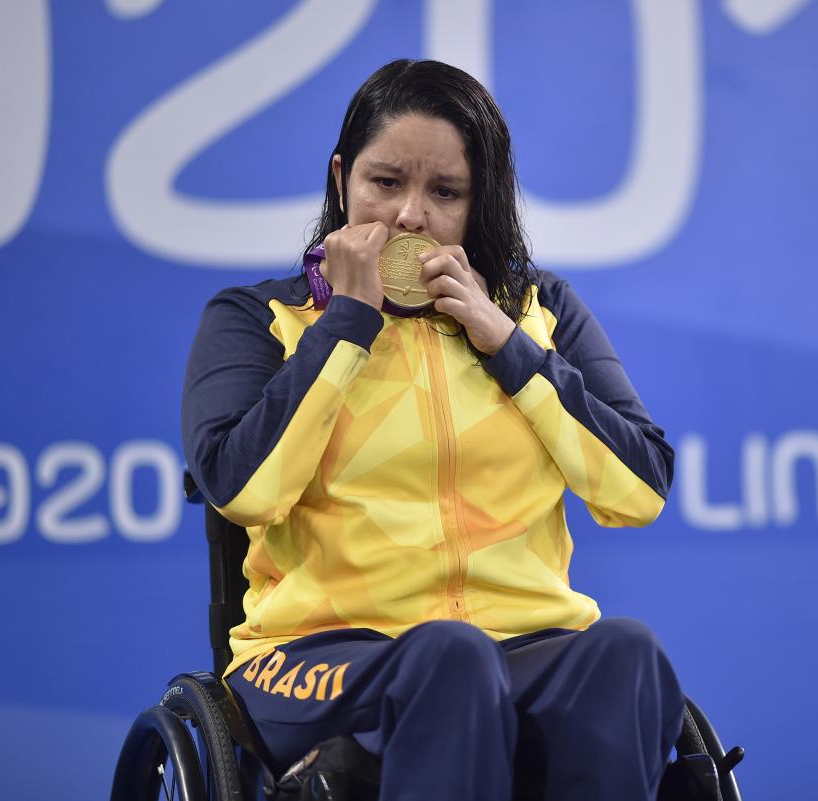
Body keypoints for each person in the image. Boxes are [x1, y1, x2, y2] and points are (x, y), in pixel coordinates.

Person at [181, 58, 683, 801]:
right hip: (315, 657)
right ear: (341, 178)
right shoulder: (261, 319)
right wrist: (347, 322)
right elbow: (243, 489)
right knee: (450, 657)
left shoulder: (540, 315)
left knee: (626, 653)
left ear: (479, 205)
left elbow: (640, 489)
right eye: (386, 183)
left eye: (444, 192)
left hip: (522, 644)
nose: (411, 216)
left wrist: (506, 344)